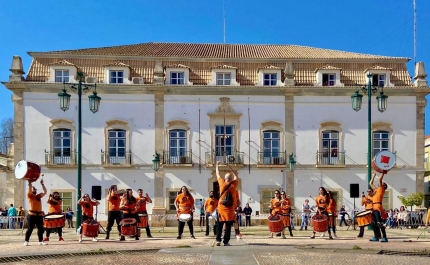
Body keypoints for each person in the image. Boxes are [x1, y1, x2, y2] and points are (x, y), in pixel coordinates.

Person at [215, 161, 238, 246]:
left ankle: (218, 240)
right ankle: (226, 241)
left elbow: (217, 173)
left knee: (219, 224)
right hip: (230, 208)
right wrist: (229, 166)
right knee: (228, 225)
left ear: (225, 178)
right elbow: (236, 175)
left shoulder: (222, 182)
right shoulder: (234, 184)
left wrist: (217, 165)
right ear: (231, 179)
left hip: (221, 207)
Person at [24, 179, 48, 246]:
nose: (35, 189)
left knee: (41, 228)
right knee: (30, 228)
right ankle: (26, 241)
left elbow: (45, 192)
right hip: (32, 215)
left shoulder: (38, 196)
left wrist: (42, 184)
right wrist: (30, 183)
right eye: (33, 189)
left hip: (39, 215)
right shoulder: (30, 196)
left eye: (35, 189)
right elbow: (29, 189)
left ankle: (41, 241)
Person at [369, 171, 388, 242]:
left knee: (380, 223)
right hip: (374, 207)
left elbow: (380, 179)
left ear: (384, 186)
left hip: (378, 207)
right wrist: (373, 176)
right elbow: (370, 183)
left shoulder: (381, 189)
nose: (380, 184)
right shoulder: (377, 190)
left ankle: (385, 237)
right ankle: (376, 236)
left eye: (382, 184)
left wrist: (383, 173)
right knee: (373, 223)